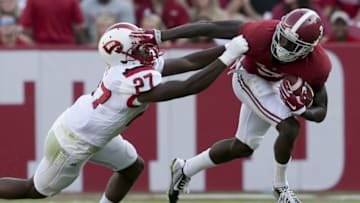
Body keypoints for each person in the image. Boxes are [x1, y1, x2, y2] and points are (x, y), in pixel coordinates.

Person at [0, 22, 248, 203]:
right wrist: (228, 57)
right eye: (138, 45)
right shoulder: (129, 79)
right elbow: (188, 86)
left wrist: (229, 48)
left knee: (132, 167)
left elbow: (190, 62)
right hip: (74, 142)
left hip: (89, 128)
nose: (145, 48)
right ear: (125, 53)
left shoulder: (130, 64)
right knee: (34, 190)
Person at [131, 8, 331, 203]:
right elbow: (209, 27)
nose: (282, 43)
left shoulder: (318, 65)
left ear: (307, 49)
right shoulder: (261, 33)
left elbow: (321, 111)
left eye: (291, 44)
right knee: (289, 126)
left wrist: (303, 110)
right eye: (282, 36)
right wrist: (159, 36)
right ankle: (281, 188)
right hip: (249, 76)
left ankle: (184, 168)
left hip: (273, 86)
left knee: (243, 147)